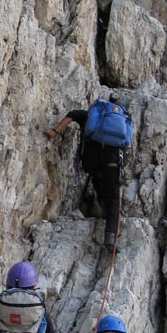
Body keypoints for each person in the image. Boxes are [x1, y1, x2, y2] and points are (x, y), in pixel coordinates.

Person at [44, 105, 124, 251]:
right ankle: (111, 237)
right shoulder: (118, 124)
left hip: (91, 161)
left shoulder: (89, 116)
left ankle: (104, 212)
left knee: (99, 183)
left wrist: (54, 132)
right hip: (111, 161)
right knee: (113, 198)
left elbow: (72, 113)